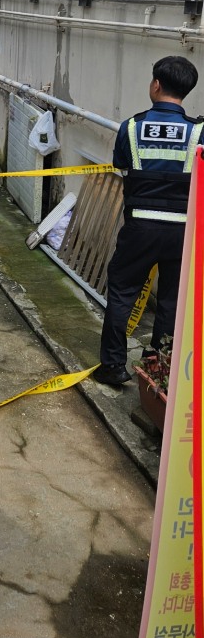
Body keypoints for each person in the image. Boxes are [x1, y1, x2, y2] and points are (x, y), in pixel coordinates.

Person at [95, 55, 203, 388]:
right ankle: (157, 369)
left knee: (122, 293)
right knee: (171, 301)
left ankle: (113, 366)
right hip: (182, 232)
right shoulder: (198, 132)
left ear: (156, 85)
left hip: (139, 226)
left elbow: (121, 166)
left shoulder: (131, 126)